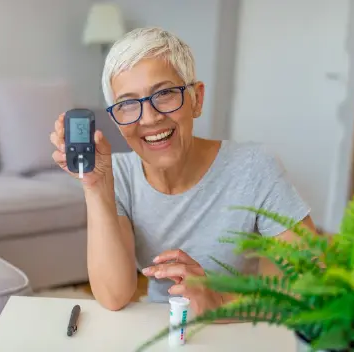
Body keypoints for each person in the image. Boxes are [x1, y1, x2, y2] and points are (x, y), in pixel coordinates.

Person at [49, 27, 316, 315]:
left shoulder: (254, 168)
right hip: (163, 327)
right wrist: (95, 186)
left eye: (163, 94)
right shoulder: (118, 174)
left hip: (243, 327)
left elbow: (309, 286)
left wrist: (220, 303)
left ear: (196, 99)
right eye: (127, 104)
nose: (150, 118)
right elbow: (114, 296)